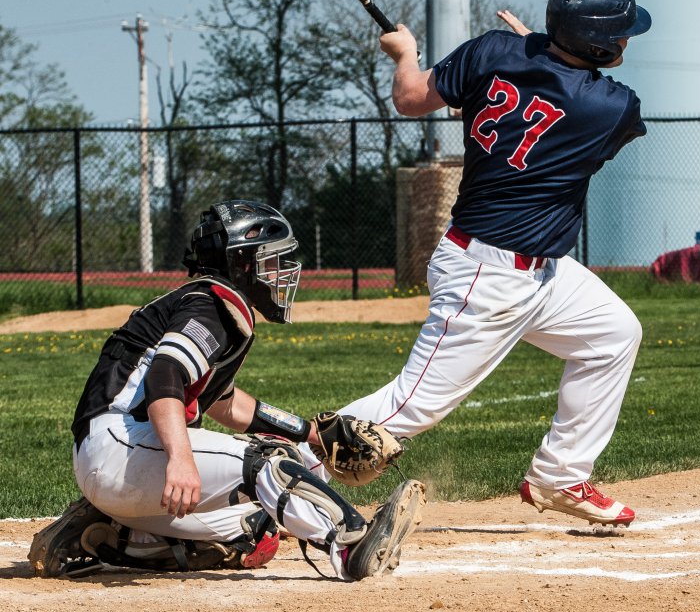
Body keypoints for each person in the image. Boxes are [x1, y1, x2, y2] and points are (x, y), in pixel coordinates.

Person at [302, 0, 651, 526]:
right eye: (622, 33)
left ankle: (560, 476)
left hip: (544, 272)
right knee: (410, 406)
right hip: (489, 278)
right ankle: (280, 471)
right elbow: (549, 97)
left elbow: (411, 97)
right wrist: (537, 54)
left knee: (612, 334)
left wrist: (406, 52)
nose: (628, 41)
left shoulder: (492, 51)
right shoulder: (611, 108)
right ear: (598, 43)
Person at [29, 199, 425, 580]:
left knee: (254, 532)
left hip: (118, 464)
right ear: (243, 263)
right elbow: (164, 374)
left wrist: (311, 433)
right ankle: (351, 542)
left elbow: (227, 403)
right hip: (123, 445)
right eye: (271, 260)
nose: (281, 272)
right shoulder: (213, 303)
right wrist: (180, 456)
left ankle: (106, 536)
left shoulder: (207, 304)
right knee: (270, 459)